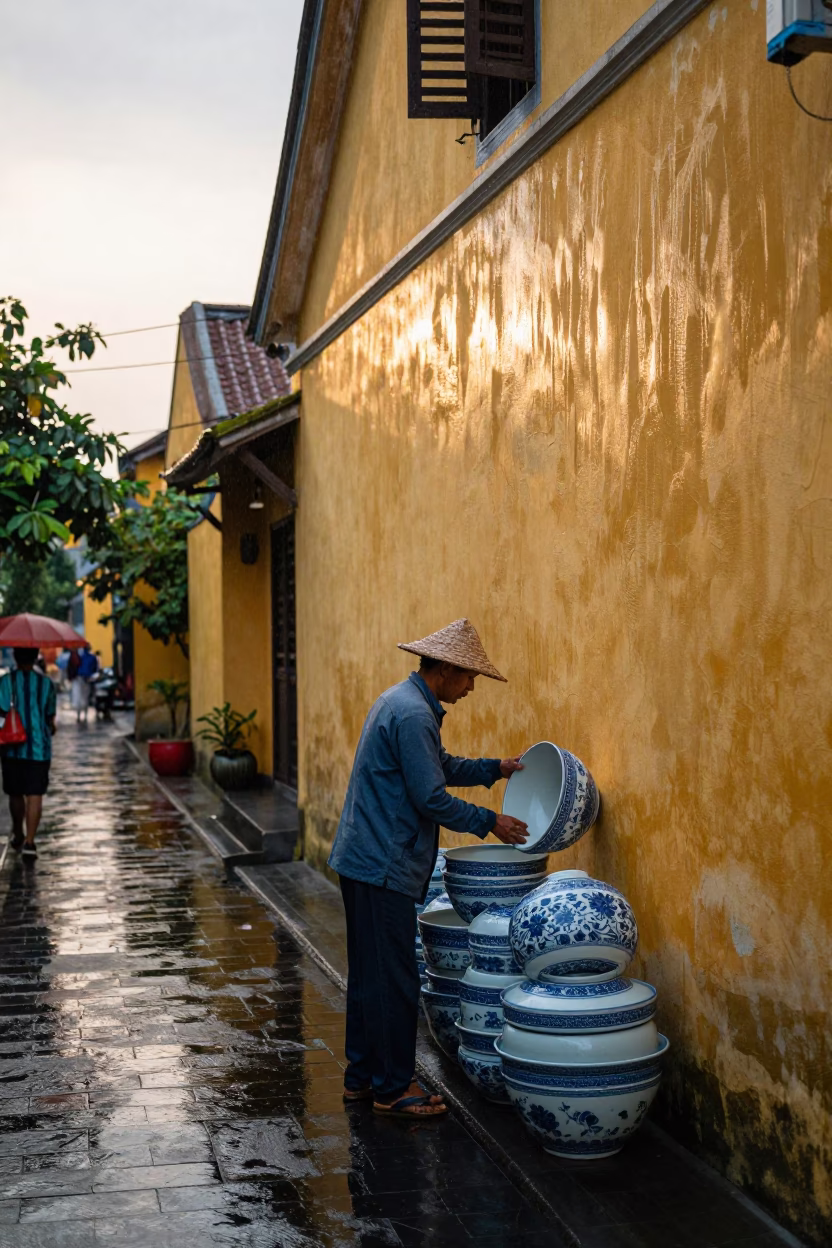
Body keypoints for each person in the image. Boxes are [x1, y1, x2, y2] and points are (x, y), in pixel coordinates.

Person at [328, 618, 529, 1120]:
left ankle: (361, 1078)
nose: (471, 688)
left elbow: (437, 767)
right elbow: (430, 796)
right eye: (468, 678)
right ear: (444, 668)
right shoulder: (415, 714)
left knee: (370, 977)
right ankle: (393, 1088)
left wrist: (494, 769)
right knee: (395, 979)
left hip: (363, 859)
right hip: (383, 864)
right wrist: (491, 822)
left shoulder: (404, 701)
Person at [0, 647, 57, 861]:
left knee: (15, 793)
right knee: (35, 794)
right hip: (39, 749)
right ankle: (30, 842)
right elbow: (50, 717)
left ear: (15, 657)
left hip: (11, 747)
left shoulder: (5, 682)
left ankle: (18, 832)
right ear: (35, 658)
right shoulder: (46, 684)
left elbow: (1, 713)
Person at [69, 643, 98, 723]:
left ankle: (79, 716)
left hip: (78, 679)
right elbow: (95, 670)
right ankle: (85, 715)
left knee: (78, 697)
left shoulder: (79, 657)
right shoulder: (93, 658)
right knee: (86, 698)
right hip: (87, 680)